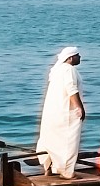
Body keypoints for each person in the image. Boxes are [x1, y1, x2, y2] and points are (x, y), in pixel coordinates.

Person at [35, 46, 87, 178]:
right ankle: (67, 173)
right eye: (77, 55)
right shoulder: (69, 70)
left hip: (52, 113)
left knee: (51, 139)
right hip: (66, 113)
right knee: (69, 141)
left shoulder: (57, 71)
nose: (80, 57)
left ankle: (48, 168)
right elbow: (72, 90)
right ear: (70, 57)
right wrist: (80, 108)